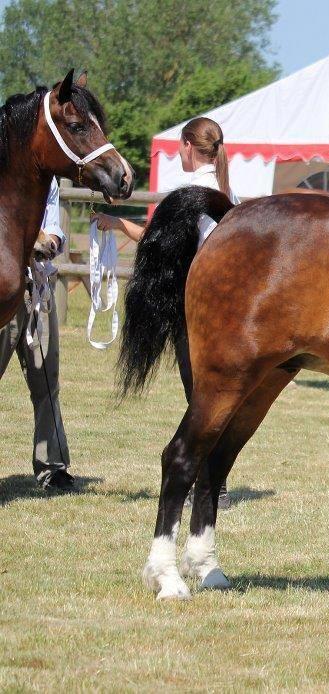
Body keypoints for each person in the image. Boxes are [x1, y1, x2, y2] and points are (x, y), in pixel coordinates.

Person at [92, 117, 238, 508]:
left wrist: (116, 223)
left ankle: (211, 485)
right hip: (223, 306)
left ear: (189, 146)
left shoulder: (192, 192)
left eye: (179, 145)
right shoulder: (225, 191)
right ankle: (214, 482)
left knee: (201, 398)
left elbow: (155, 240)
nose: (177, 151)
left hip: (194, 306)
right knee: (208, 396)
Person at [0, 178, 73, 491]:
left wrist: (51, 241)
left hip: (36, 288)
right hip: (3, 288)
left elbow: (52, 228)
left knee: (46, 380)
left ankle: (53, 467)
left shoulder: (48, 180)